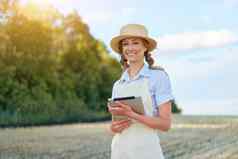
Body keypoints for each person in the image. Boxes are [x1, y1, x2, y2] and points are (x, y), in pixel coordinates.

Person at [107, 24, 174, 159]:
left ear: (145, 47)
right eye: (125, 44)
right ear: (122, 50)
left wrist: (132, 114)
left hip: (146, 151)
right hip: (120, 152)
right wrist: (113, 128)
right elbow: (114, 126)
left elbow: (165, 124)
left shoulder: (158, 77)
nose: (130, 48)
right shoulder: (118, 84)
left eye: (135, 43)